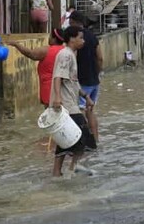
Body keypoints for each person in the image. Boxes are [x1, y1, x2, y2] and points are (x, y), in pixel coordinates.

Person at [49, 26, 97, 177]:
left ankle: (64, 170)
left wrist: (86, 96)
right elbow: (58, 77)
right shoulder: (65, 55)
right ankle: (69, 168)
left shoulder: (71, 54)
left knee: (67, 138)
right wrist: (57, 98)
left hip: (71, 103)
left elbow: (74, 82)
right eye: (80, 37)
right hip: (66, 106)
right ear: (71, 39)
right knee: (82, 137)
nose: (83, 41)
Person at [8, 28, 65, 108]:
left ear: (54, 39)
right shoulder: (65, 50)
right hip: (62, 88)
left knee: (50, 113)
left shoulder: (47, 50)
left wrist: (16, 44)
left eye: (50, 36)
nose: (49, 38)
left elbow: (31, 54)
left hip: (49, 87)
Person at [69, 11, 103, 144]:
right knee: (90, 111)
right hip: (95, 80)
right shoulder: (93, 37)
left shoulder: (75, 40)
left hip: (82, 81)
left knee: (80, 112)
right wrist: (97, 73)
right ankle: (95, 140)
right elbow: (100, 58)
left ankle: (81, 142)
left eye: (71, 23)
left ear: (76, 23)